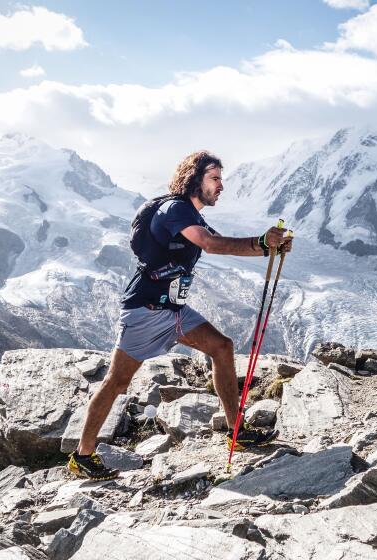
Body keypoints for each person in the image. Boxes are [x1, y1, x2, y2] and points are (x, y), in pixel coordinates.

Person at [67, 151, 293, 480]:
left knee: (222, 347)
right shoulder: (175, 209)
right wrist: (260, 241)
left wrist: (269, 247)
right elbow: (210, 244)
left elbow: (222, 243)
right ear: (195, 178)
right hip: (145, 311)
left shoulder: (190, 216)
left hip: (174, 311)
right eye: (215, 178)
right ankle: (82, 456)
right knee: (117, 382)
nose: (221, 185)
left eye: (220, 179)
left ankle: (237, 431)